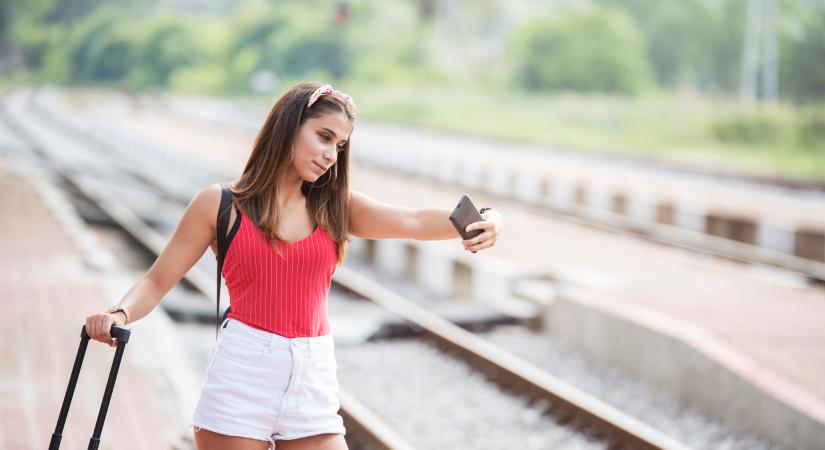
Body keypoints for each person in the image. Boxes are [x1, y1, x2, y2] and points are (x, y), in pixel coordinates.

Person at [84, 81, 503, 450]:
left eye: (339, 146)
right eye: (323, 137)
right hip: (243, 370)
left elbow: (413, 220)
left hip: (312, 372)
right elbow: (157, 280)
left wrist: (485, 217)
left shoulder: (337, 207)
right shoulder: (220, 204)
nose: (330, 156)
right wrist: (118, 312)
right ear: (288, 127)